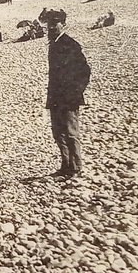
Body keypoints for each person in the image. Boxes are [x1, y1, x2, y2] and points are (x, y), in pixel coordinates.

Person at [45, 9, 90, 179]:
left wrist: (75, 92)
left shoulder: (70, 44)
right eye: (49, 24)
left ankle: (76, 167)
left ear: (63, 24)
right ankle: (66, 165)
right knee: (58, 132)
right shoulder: (54, 44)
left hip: (68, 98)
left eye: (54, 24)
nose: (50, 27)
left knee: (71, 132)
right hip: (56, 97)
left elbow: (84, 71)